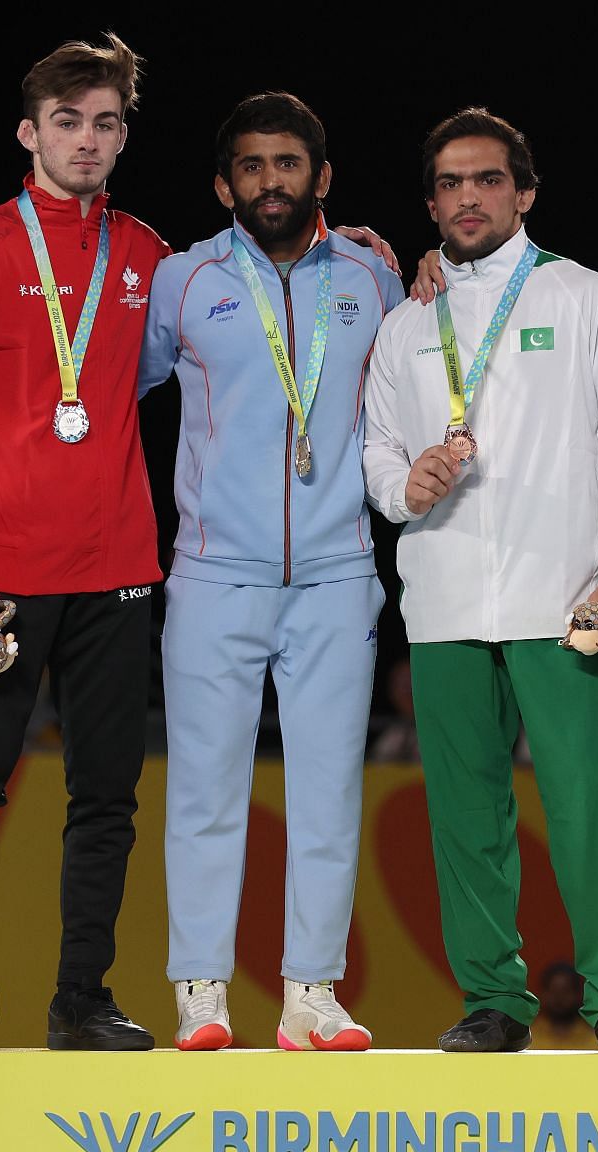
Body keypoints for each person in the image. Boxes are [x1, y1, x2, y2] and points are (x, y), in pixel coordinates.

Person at [363, 108, 598, 1055]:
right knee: (464, 812)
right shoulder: (407, 319)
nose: (467, 198)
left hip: (564, 595)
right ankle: (492, 1000)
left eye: (487, 180)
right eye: (449, 184)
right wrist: (400, 488)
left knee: (592, 800)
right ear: (430, 202)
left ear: (524, 193)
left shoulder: (579, 297)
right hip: (445, 595)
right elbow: (374, 449)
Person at [0, 37, 168, 1053]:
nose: (86, 140)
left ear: (123, 135)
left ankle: (81, 998)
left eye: (104, 124)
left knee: (106, 796)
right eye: (67, 122)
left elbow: (243, 309)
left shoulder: (146, 253)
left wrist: (334, 241)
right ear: (30, 132)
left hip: (118, 570)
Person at [138, 93, 404, 1052]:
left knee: (329, 788)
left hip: (337, 570)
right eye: (250, 167)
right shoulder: (184, 279)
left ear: (321, 178)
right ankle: (202, 991)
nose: (270, 182)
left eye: (288, 164)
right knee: (206, 789)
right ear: (224, 185)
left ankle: (310, 995)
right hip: (214, 573)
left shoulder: (373, 279)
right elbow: (120, 387)